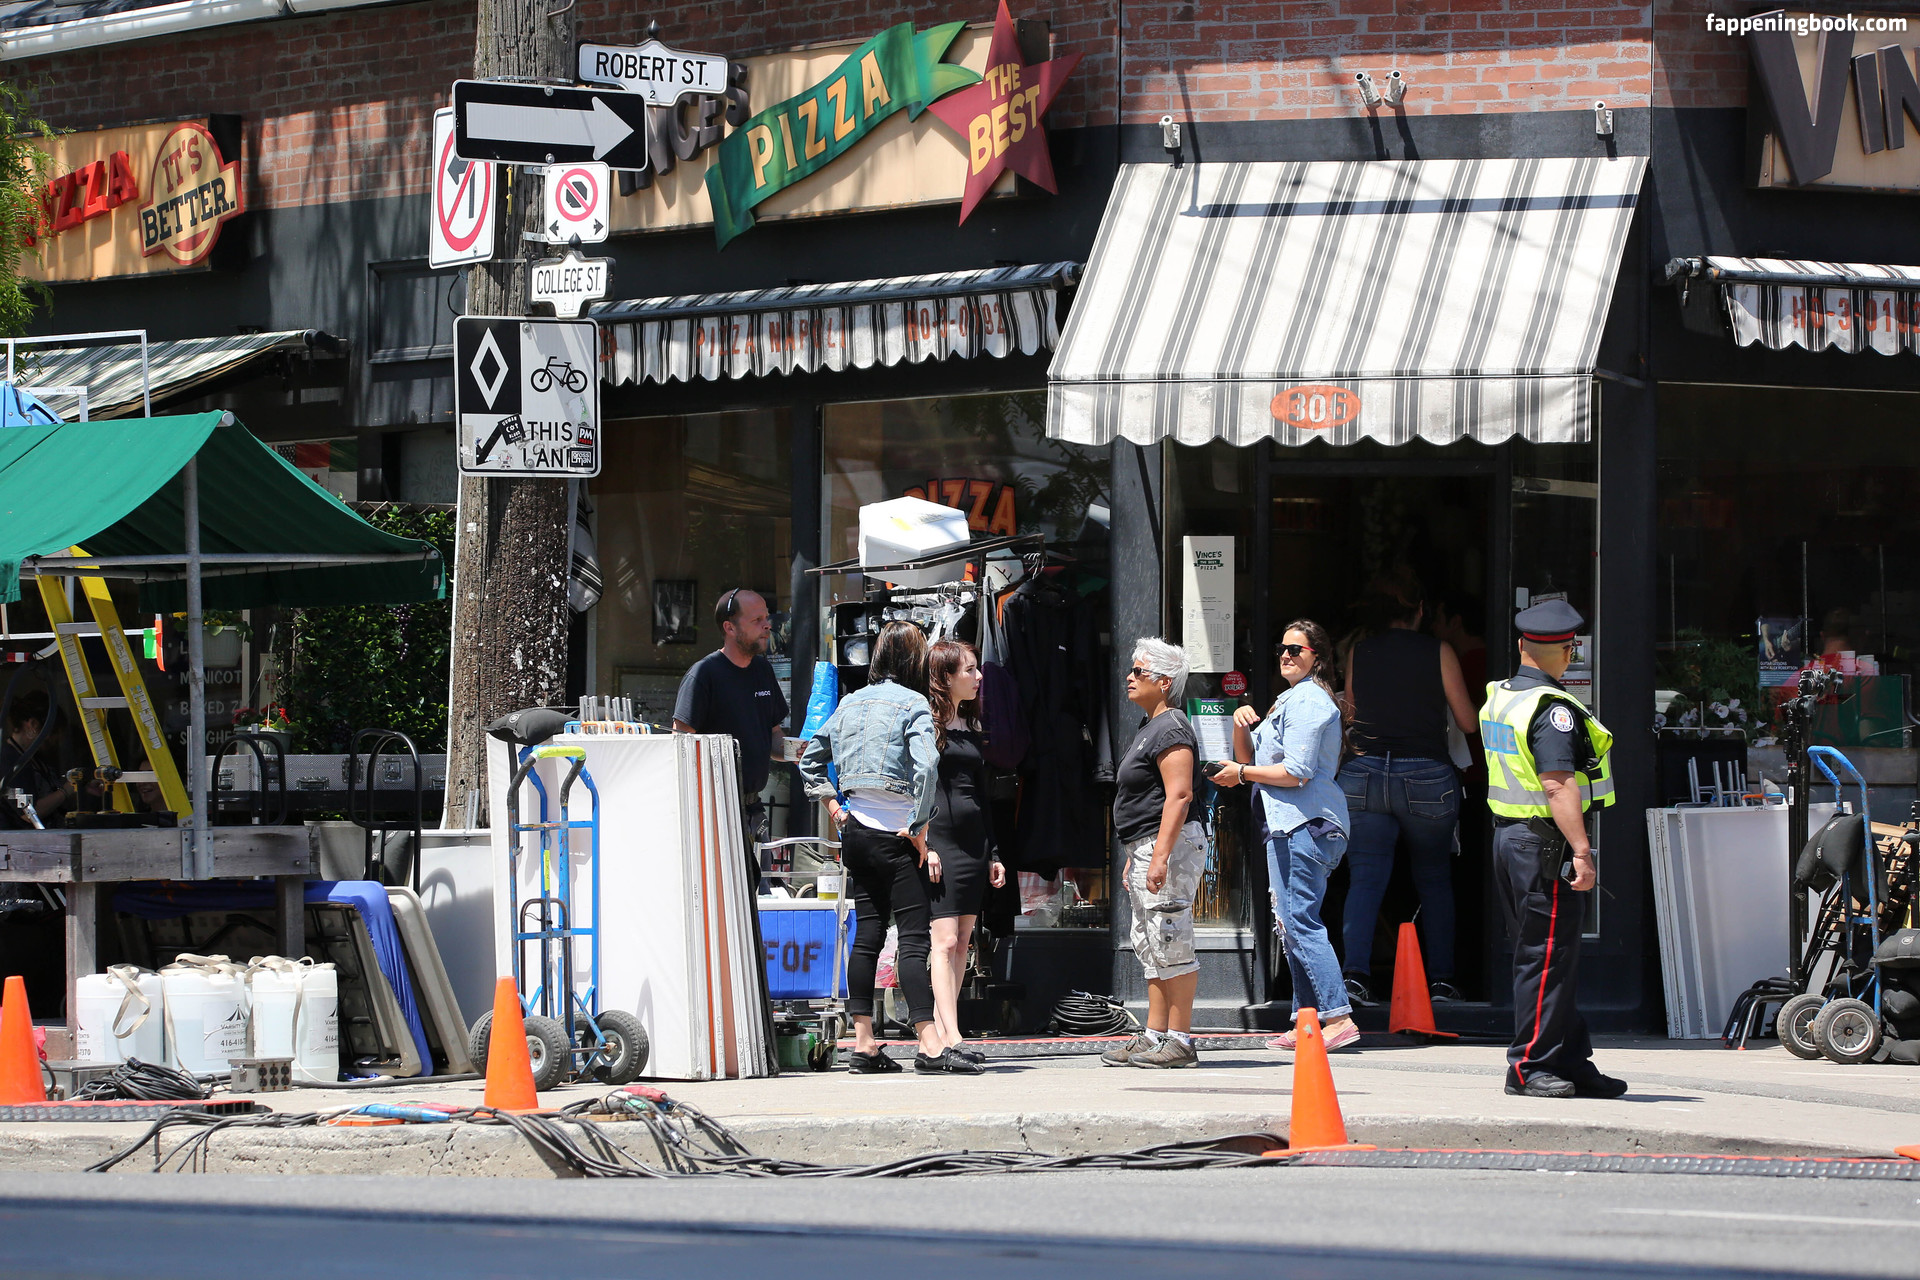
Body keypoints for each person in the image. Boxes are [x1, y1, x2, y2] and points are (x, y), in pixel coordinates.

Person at [798, 622, 973, 1075]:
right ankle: (930, 1045)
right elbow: (927, 766)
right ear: (915, 660)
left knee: (867, 936)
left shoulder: (850, 702)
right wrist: (919, 826)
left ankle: (864, 1044)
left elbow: (810, 759)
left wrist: (835, 807)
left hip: (856, 831)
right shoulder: (913, 704)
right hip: (898, 834)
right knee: (913, 939)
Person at [1480, 599, 1626, 1099]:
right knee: (1545, 959)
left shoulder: (1502, 695)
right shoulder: (1551, 710)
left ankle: (1569, 1059)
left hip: (1512, 839)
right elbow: (1558, 784)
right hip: (1545, 845)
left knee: (1551, 958)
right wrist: (1582, 851)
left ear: (1522, 645)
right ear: (1567, 650)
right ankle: (1529, 1066)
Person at [1337, 580, 1480, 1006]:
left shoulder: (1360, 652)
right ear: (1420, 610)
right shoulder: (1439, 650)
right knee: (1434, 878)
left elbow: (1351, 713)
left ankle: (1354, 978)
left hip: (1364, 772)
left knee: (1365, 878)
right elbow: (1468, 722)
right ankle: (1441, 983)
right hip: (1425, 774)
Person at [1217, 620, 1357, 1052]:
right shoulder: (1289, 699)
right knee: (1290, 922)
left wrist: (1242, 773)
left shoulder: (1310, 701)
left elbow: (1296, 772)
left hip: (1305, 823)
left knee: (1299, 920)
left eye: (1296, 649)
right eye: (1282, 648)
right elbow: (1250, 758)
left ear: (1318, 657)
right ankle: (1307, 1020)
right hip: (1288, 823)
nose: (1285, 655)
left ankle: (1338, 1017)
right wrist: (1240, 725)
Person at [1101, 638, 1205, 1070]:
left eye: (1139, 671)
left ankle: (1180, 1039)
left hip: (1169, 848)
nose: (1130, 677)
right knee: (1151, 943)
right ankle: (1155, 1034)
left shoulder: (1171, 727)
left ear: (1164, 682)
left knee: (1170, 938)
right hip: (1148, 845)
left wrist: (1160, 855)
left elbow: (1179, 795)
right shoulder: (1152, 726)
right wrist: (1138, 853)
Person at [924, 640, 1006, 1063]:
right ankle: (952, 1035)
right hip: (940, 840)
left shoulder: (971, 725)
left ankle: (945, 1030)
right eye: (969, 670)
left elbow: (982, 796)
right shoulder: (926, 725)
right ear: (946, 676)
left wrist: (994, 853)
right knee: (945, 939)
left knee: (962, 944)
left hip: (974, 842)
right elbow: (918, 790)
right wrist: (925, 844)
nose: (978, 677)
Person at [673, 588, 788, 882]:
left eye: (766, 618)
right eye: (757, 620)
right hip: (714, 810)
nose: (767, 625)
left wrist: (799, 751)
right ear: (730, 627)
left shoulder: (762, 670)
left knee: (753, 889)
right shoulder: (704, 674)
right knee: (728, 889)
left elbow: (773, 736)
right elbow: (680, 746)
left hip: (752, 807)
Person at [1, 691, 84, 829]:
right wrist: (67, 790)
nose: (53, 742)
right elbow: (29, 812)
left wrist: (82, 788)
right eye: (51, 733)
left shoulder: (35, 758)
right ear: (33, 724)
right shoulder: (9, 761)